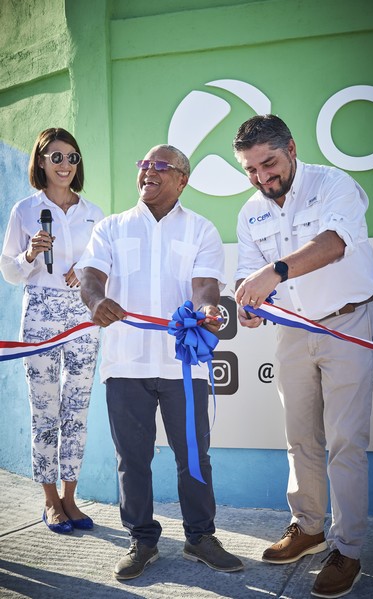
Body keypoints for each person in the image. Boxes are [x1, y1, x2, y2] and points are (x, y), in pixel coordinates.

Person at [76, 144, 243, 580]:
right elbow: (91, 276)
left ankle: (200, 538)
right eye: (144, 164)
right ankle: (142, 540)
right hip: (125, 364)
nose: (148, 170)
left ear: (182, 180)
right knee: (132, 459)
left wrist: (206, 310)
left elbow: (205, 288)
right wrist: (96, 300)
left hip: (181, 365)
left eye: (160, 166)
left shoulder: (201, 229)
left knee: (194, 457)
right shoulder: (111, 228)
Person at [233, 115, 373, 598]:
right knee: (300, 437)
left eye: (269, 163)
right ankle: (309, 527)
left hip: (347, 322)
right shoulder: (250, 211)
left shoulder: (334, 184)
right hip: (293, 331)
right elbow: (246, 274)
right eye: (251, 169)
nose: (262, 177)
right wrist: (249, 303)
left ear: (292, 148)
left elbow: (334, 244)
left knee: (345, 441)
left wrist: (274, 272)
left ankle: (348, 548)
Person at [0, 128, 104, 534]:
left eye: (72, 157)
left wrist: (87, 269)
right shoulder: (25, 210)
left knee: (77, 406)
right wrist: (29, 254)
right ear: (41, 161)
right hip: (40, 310)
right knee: (44, 407)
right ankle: (49, 500)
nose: (65, 165)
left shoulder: (93, 212)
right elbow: (9, 271)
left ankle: (70, 496)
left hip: (82, 313)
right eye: (56, 157)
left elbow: (106, 263)